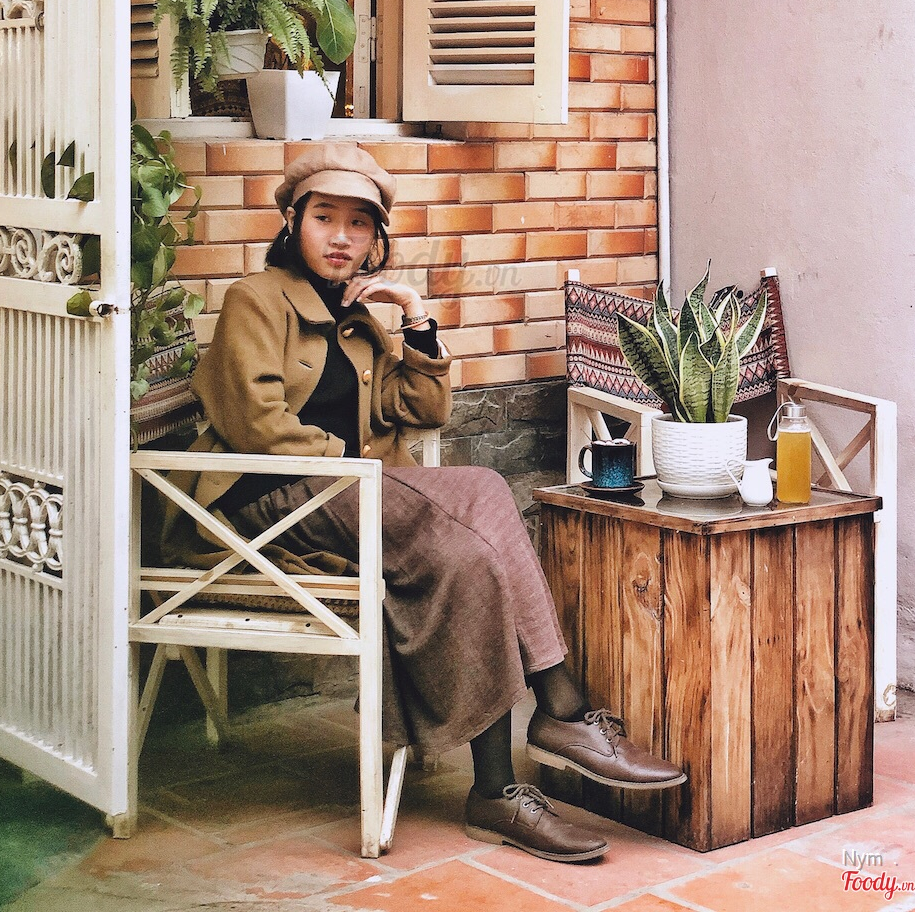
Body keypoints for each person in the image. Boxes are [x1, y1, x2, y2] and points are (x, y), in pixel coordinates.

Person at [188, 143, 684, 864]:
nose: (341, 237)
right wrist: (357, 465)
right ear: (292, 222)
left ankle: (499, 790)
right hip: (273, 506)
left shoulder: (353, 314)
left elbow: (423, 408)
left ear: (376, 238)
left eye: (359, 223)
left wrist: (415, 317)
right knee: (478, 500)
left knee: (470, 545)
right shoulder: (255, 300)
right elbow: (256, 426)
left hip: (352, 495)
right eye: (324, 217)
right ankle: (560, 710)